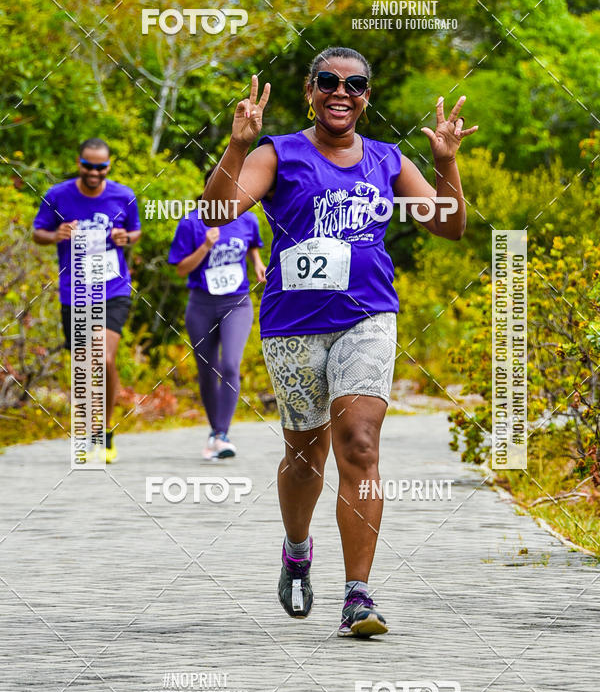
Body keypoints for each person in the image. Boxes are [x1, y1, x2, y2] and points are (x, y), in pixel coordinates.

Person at [203, 46, 478, 637]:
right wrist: (237, 145)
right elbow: (217, 210)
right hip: (294, 324)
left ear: (366, 99)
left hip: (368, 317)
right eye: (328, 81)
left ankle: (358, 594)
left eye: (354, 85)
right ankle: (297, 551)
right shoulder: (281, 152)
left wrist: (446, 163)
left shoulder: (386, 159)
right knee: (306, 454)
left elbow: (449, 225)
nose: (340, 92)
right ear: (310, 91)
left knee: (358, 443)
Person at [33, 138, 141, 463]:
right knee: (83, 363)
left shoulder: (123, 195)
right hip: (75, 291)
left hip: (114, 288)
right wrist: (56, 235)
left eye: (100, 167)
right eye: (88, 165)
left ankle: (105, 432)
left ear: (109, 166)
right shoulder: (58, 196)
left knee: (104, 358)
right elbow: (38, 232)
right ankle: (83, 432)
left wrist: (126, 237)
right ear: (79, 162)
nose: (94, 172)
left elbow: (135, 231)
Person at [168, 180, 265, 459]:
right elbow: (180, 269)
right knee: (208, 370)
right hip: (201, 304)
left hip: (237, 302)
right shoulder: (191, 222)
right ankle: (215, 433)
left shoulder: (247, 218)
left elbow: (252, 245)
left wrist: (257, 262)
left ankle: (222, 434)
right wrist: (205, 247)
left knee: (231, 365)